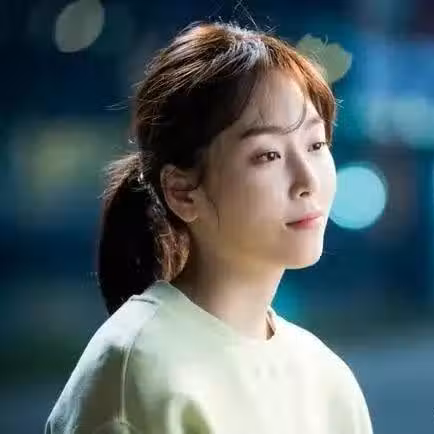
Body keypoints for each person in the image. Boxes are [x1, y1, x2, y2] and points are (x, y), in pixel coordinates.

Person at [45, 21, 373, 434]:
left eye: (316, 145)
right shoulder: (140, 368)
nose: (307, 180)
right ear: (183, 192)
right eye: (268, 155)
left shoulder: (328, 380)